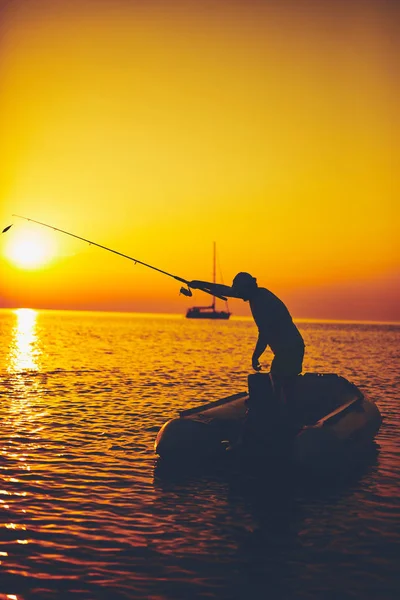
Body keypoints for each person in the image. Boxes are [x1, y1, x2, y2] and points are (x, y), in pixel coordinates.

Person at [189, 272, 305, 379]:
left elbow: (264, 334)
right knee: (279, 380)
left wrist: (255, 357)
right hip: (287, 350)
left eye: (239, 291)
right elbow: (224, 290)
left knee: (279, 379)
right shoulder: (254, 294)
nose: (237, 294)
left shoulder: (262, 301)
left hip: (291, 350)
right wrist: (199, 284)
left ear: (247, 288)